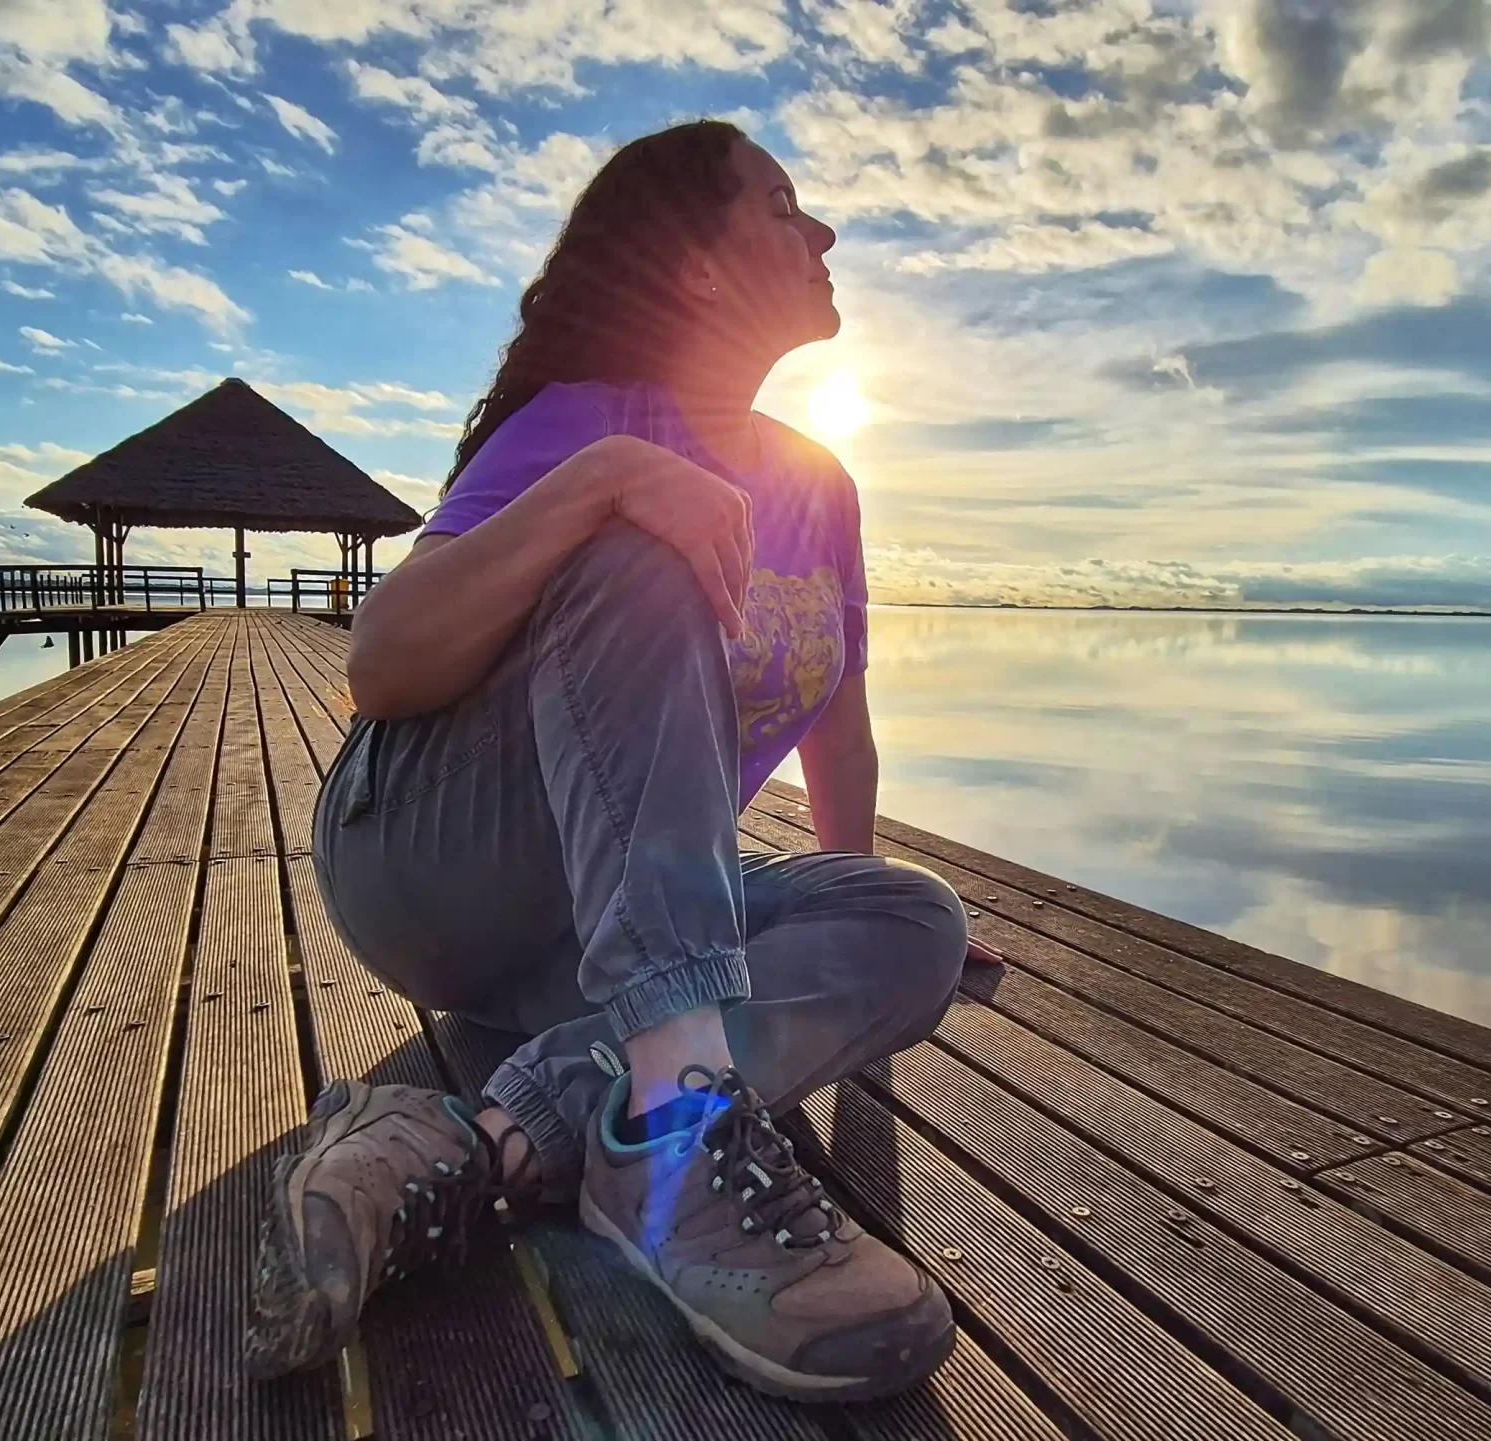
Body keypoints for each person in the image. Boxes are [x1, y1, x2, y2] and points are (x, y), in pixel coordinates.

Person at [244, 119, 999, 1405]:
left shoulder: (822, 485)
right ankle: (676, 1130)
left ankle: (474, 1141)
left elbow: (839, 725)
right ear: (697, 267)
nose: (822, 234)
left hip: (591, 919)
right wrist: (599, 485)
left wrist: (834, 932)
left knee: (914, 923)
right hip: (427, 851)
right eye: (781, 206)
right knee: (654, 535)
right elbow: (382, 667)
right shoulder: (587, 425)